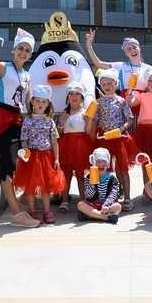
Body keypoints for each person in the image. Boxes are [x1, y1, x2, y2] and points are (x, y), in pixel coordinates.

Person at [0, 28, 40, 228]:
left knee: (16, 163)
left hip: (18, 120)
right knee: (5, 165)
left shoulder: (27, 75)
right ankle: (15, 212)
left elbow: (30, 103)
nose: (23, 52)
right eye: (20, 48)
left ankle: (16, 203)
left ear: (30, 55)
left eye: (27, 50)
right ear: (13, 50)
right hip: (2, 117)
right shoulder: (3, 66)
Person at [87, 68, 137, 211]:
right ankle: (105, 195)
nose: (107, 86)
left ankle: (127, 197)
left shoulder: (121, 101)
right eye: (104, 84)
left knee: (122, 169)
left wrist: (121, 129)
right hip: (103, 138)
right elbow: (93, 119)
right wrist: (92, 124)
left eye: (110, 83)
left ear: (116, 84)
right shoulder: (98, 102)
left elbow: (130, 119)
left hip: (119, 138)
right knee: (103, 168)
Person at [15, 85, 66, 224]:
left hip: (46, 156)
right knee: (30, 186)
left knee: (45, 187)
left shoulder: (49, 121)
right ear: (32, 102)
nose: (40, 104)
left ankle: (47, 211)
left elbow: (54, 141)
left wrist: (56, 158)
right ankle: (32, 211)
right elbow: (24, 139)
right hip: (32, 157)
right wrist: (25, 153)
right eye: (37, 101)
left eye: (44, 102)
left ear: (48, 104)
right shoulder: (28, 120)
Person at [56, 81, 93, 213]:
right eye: (71, 94)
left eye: (77, 94)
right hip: (66, 145)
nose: (74, 96)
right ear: (67, 97)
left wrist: (89, 120)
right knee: (66, 174)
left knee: (80, 174)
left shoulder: (85, 113)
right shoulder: (63, 114)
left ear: (82, 97)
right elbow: (58, 132)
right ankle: (65, 200)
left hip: (80, 146)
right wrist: (61, 123)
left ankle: (82, 200)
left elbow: (88, 132)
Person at [84, 30, 152, 94]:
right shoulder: (120, 66)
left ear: (139, 48)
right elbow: (99, 63)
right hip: (124, 98)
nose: (132, 50)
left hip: (143, 99)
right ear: (126, 53)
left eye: (134, 47)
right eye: (129, 49)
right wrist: (89, 45)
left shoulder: (149, 68)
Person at [76, 147, 122, 224]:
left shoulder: (112, 178)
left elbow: (114, 194)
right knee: (80, 205)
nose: (101, 164)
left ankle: (92, 215)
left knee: (118, 207)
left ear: (108, 164)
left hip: (107, 205)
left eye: (104, 161)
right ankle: (106, 217)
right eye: (98, 162)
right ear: (94, 164)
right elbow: (88, 196)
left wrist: (106, 205)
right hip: (93, 204)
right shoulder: (89, 177)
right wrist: (92, 183)